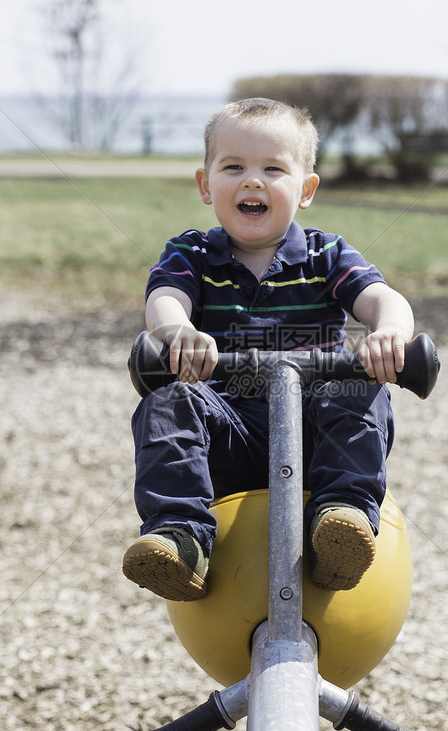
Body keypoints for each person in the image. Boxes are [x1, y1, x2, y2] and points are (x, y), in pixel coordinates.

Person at [122, 97, 414, 601]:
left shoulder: (327, 255)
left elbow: (381, 298)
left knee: (361, 387)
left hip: (317, 436)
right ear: (205, 184)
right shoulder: (192, 253)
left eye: (272, 169)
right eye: (233, 166)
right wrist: (176, 331)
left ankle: (340, 518)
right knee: (167, 400)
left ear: (305, 190)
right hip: (227, 436)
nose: (252, 181)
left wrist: (389, 331)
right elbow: (165, 297)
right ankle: (181, 536)